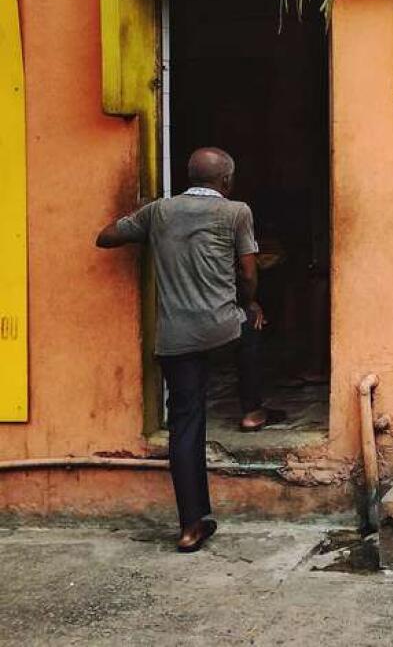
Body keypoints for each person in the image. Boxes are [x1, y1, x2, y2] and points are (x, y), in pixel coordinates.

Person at [96, 147, 264, 552]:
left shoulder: (159, 212)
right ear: (226, 180)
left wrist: (144, 220)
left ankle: (190, 526)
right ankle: (252, 410)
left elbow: (106, 237)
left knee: (186, 423)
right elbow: (248, 273)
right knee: (252, 325)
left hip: (177, 337)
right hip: (222, 327)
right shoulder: (236, 212)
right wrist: (251, 303)